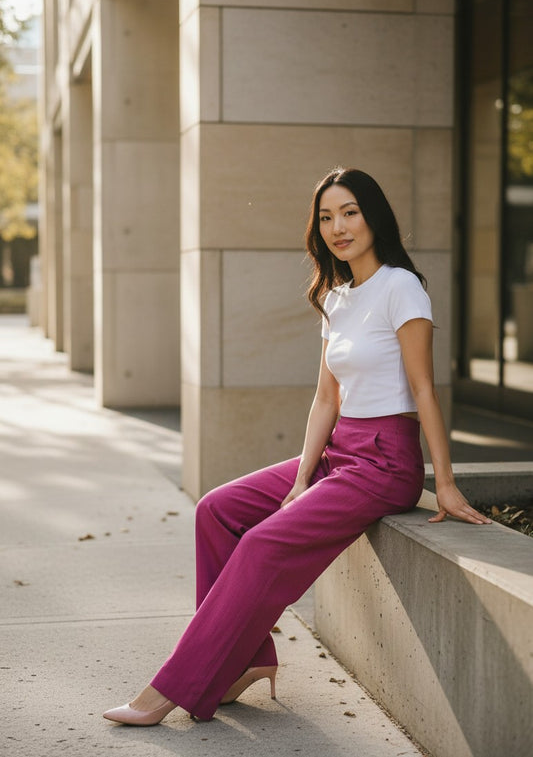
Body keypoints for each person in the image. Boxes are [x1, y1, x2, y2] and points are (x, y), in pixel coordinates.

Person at [103, 167, 490, 727]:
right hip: (341, 452)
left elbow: (425, 388)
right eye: (327, 217)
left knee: (261, 544)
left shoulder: (402, 287)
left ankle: (170, 690)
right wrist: (301, 480)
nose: (338, 227)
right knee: (217, 510)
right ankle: (248, 663)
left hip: (386, 461)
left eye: (350, 212)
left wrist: (445, 484)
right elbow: (325, 399)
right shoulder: (335, 297)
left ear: (374, 215)